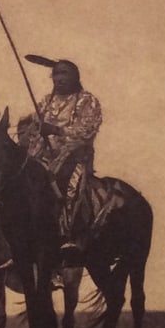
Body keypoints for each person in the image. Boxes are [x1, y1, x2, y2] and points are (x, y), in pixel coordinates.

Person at [22, 56, 103, 256]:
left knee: (67, 187)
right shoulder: (46, 102)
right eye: (56, 74)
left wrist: (56, 131)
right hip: (41, 155)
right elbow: (33, 127)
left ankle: (68, 234)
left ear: (75, 76)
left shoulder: (87, 100)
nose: (59, 78)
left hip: (73, 155)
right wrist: (30, 129)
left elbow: (87, 129)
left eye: (64, 73)